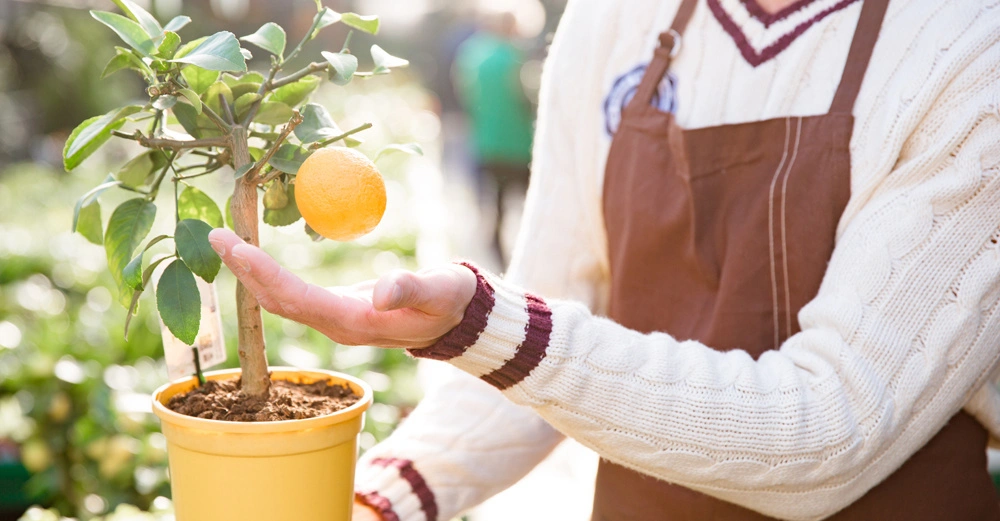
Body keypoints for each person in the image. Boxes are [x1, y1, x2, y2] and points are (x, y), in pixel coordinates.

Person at [208, 0, 1000, 519]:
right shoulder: (617, 17)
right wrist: (376, 499)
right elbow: (553, 313)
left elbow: (835, 427)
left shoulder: (968, 44)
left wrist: (487, 324)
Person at [452, 9, 535, 265]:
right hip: (519, 143)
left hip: (487, 141)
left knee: (495, 203)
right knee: (527, 204)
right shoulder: (515, 57)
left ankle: (496, 252)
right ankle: (526, 254)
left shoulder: (471, 55)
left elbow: (465, 95)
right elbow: (527, 99)